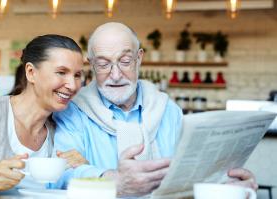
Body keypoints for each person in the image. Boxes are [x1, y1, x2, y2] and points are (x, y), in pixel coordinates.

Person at [52, 23, 258, 198]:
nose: (115, 75)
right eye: (104, 64)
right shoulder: (73, 112)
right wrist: (116, 182)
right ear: (92, 65)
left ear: (139, 58)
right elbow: (61, 174)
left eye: (125, 61)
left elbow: (190, 175)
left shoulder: (168, 110)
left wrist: (225, 183)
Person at [0, 34, 87, 197]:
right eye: (61, 72)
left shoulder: (62, 130)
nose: (72, 85)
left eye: (77, 75)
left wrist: (83, 171)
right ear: (31, 72)